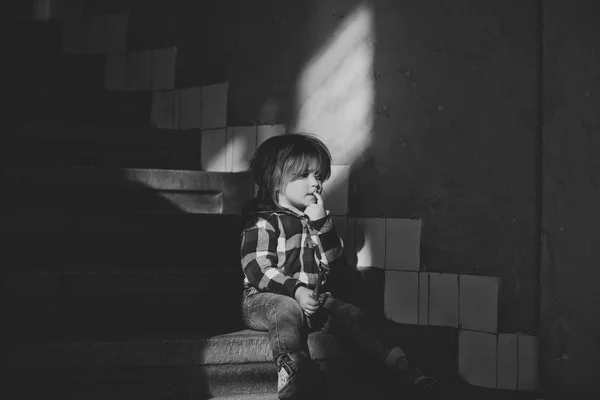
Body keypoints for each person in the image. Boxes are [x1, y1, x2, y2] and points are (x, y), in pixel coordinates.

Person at [240, 133, 438, 399]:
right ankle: (293, 371)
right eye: (304, 176)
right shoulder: (263, 222)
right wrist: (296, 290)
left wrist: (322, 224)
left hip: (312, 299)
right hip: (264, 301)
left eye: (319, 176)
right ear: (275, 180)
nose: (316, 184)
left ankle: (402, 366)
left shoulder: (314, 219)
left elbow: (334, 262)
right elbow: (257, 267)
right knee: (284, 307)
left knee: (351, 314)